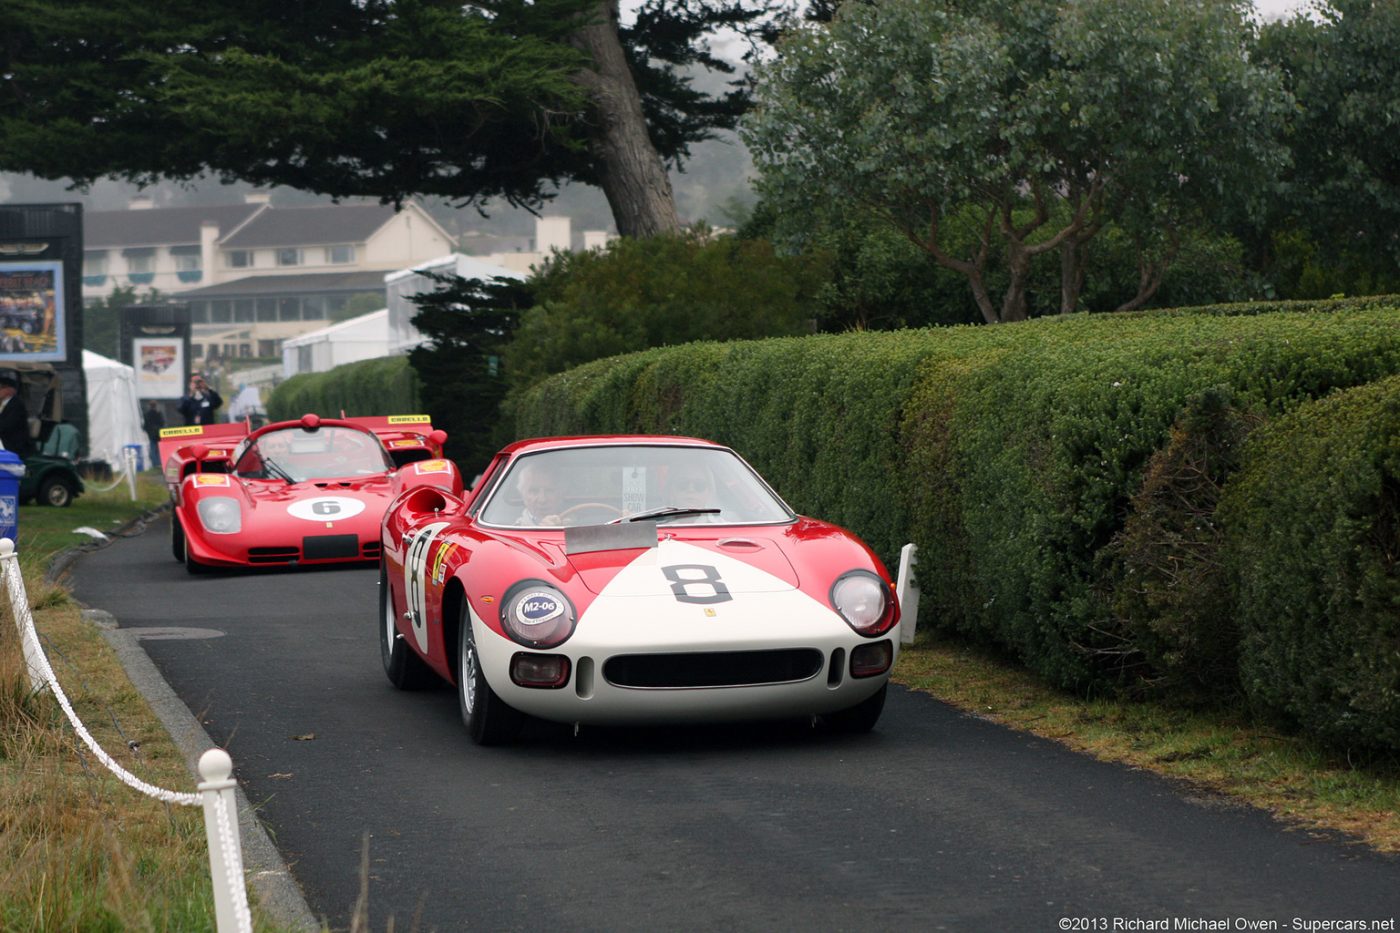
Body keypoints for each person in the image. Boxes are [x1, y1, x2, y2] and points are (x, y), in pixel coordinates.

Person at [514, 459, 565, 526]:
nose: (542, 500)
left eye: (549, 490)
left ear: (561, 493)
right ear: (522, 494)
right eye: (534, 491)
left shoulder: (577, 524)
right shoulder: (513, 529)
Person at [0, 375, 32, 458]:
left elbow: (7, 425)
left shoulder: (17, 405)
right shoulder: (2, 403)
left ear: (10, 390)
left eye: (1, 388)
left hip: (13, 443)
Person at [141, 400, 165, 470]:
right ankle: (160, 462)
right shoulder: (159, 413)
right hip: (158, 433)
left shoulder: (147, 414)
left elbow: (145, 425)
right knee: (158, 449)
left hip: (151, 433)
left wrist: (147, 430)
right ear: (156, 405)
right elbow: (162, 422)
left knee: (153, 449)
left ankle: (155, 464)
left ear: (149, 406)